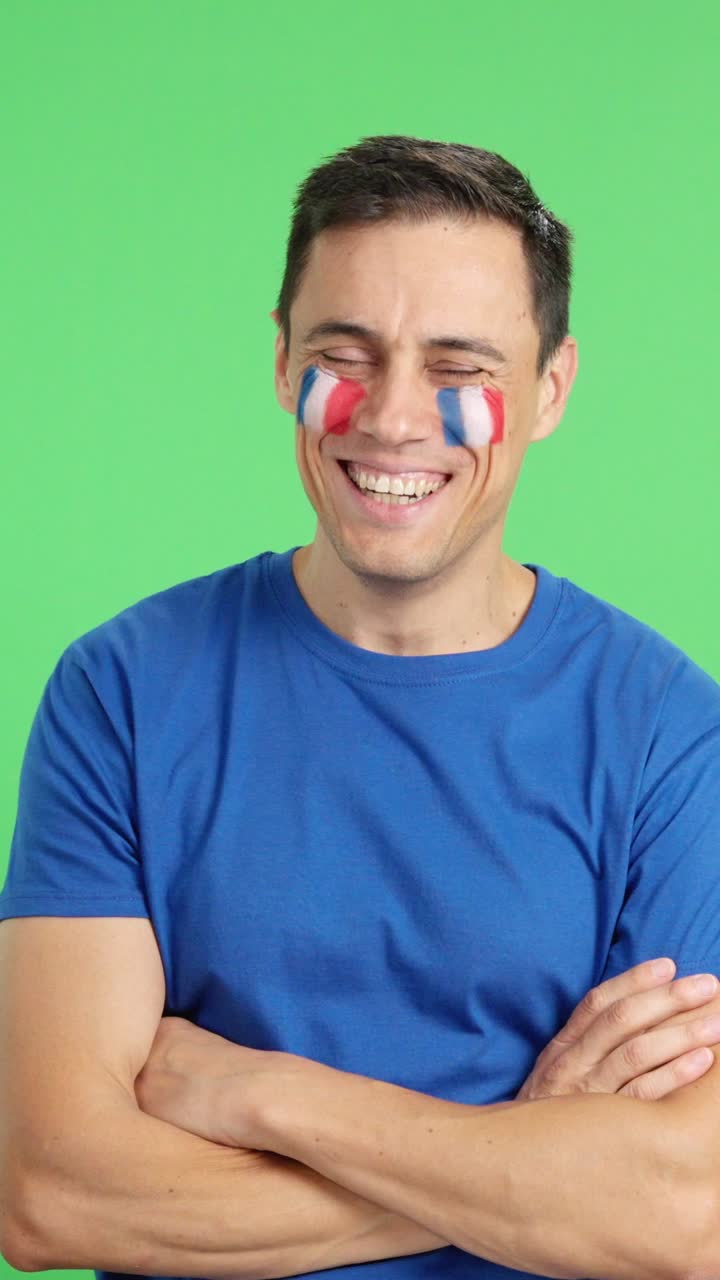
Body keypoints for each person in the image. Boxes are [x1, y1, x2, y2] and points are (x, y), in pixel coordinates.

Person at [1, 134, 719, 1280]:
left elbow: (684, 1213)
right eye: (347, 352)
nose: (390, 418)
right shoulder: (122, 692)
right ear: (283, 360)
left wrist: (264, 1093)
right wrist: (527, 1149)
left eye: (459, 368)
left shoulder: (670, 734)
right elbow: (52, 1188)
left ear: (549, 390)